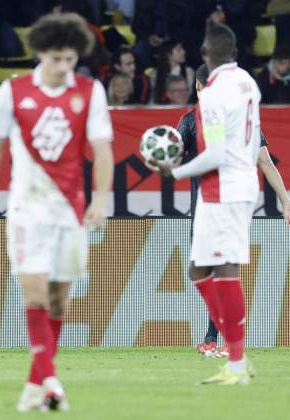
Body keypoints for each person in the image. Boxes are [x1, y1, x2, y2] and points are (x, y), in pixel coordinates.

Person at [0, 13, 114, 411]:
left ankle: (36, 384)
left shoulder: (90, 91)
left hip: (70, 210)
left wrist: (101, 199)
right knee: (33, 291)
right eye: (56, 59)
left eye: (70, 59)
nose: (63, 67)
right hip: (26, 207)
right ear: (40, 54)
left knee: (59, 301)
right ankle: (52, 380)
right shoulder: (13, 91)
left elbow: (102, 150)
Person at [152, 24, 263, 385]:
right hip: (231, 185)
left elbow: (214, 153)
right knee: (199, 270)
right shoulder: (248, 82)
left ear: (207, 53)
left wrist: (175, 172)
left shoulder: (214, 94)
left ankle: (236, 362)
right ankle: (232, 351)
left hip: (227, 187)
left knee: (226, 271)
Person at [177, 64, 290, 357]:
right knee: (205, 272)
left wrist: (286, 199)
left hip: (225, 205)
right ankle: (219, 338)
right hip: (203, 210)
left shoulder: (215, 122)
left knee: (223, 271)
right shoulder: (193, 122)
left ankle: (223, 341)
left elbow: (264, 162)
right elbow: (265, 163)